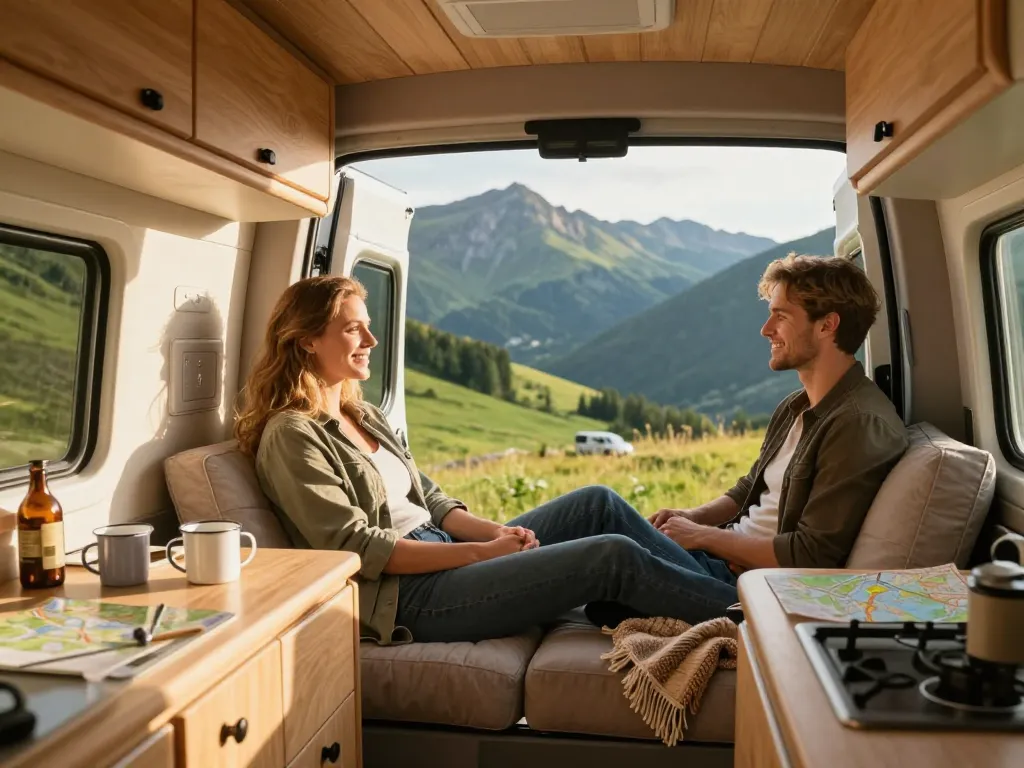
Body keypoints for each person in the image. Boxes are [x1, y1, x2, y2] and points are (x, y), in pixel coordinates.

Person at [235, 275, 737, 644]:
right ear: (305, 340)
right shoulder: (291, 436)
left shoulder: (361, 413)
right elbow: (358, 550)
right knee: (609, 555)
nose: (371, 341)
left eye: (367, 328)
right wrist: (480, 553)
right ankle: (746, 614)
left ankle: (722, 585)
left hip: (442, 548)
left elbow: (429, 497)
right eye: (353, 330)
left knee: (596, 503)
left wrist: (495, 533)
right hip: (407, 594)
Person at [651, 253, 908, 573]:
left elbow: (810, 554)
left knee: (611, 552)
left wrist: (703, 537)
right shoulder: (795, 406)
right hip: (718, 557)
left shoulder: (858, 424)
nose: (765, 329)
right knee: (598, 505)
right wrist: (692, 517)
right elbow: (750, 487)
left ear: (827, 325)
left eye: (781, 316)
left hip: (747, 584)